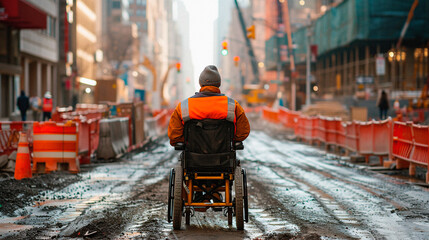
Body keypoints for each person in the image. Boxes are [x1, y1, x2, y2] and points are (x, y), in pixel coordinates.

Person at [168, 65, 250, 147]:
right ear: (219, 83)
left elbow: (174, 135)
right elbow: (243, 131)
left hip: (193, 155)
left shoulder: (184, 106)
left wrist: (187, 141)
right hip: (224, 156)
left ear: (200, 83)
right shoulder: (232, 105)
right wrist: (233, 139)